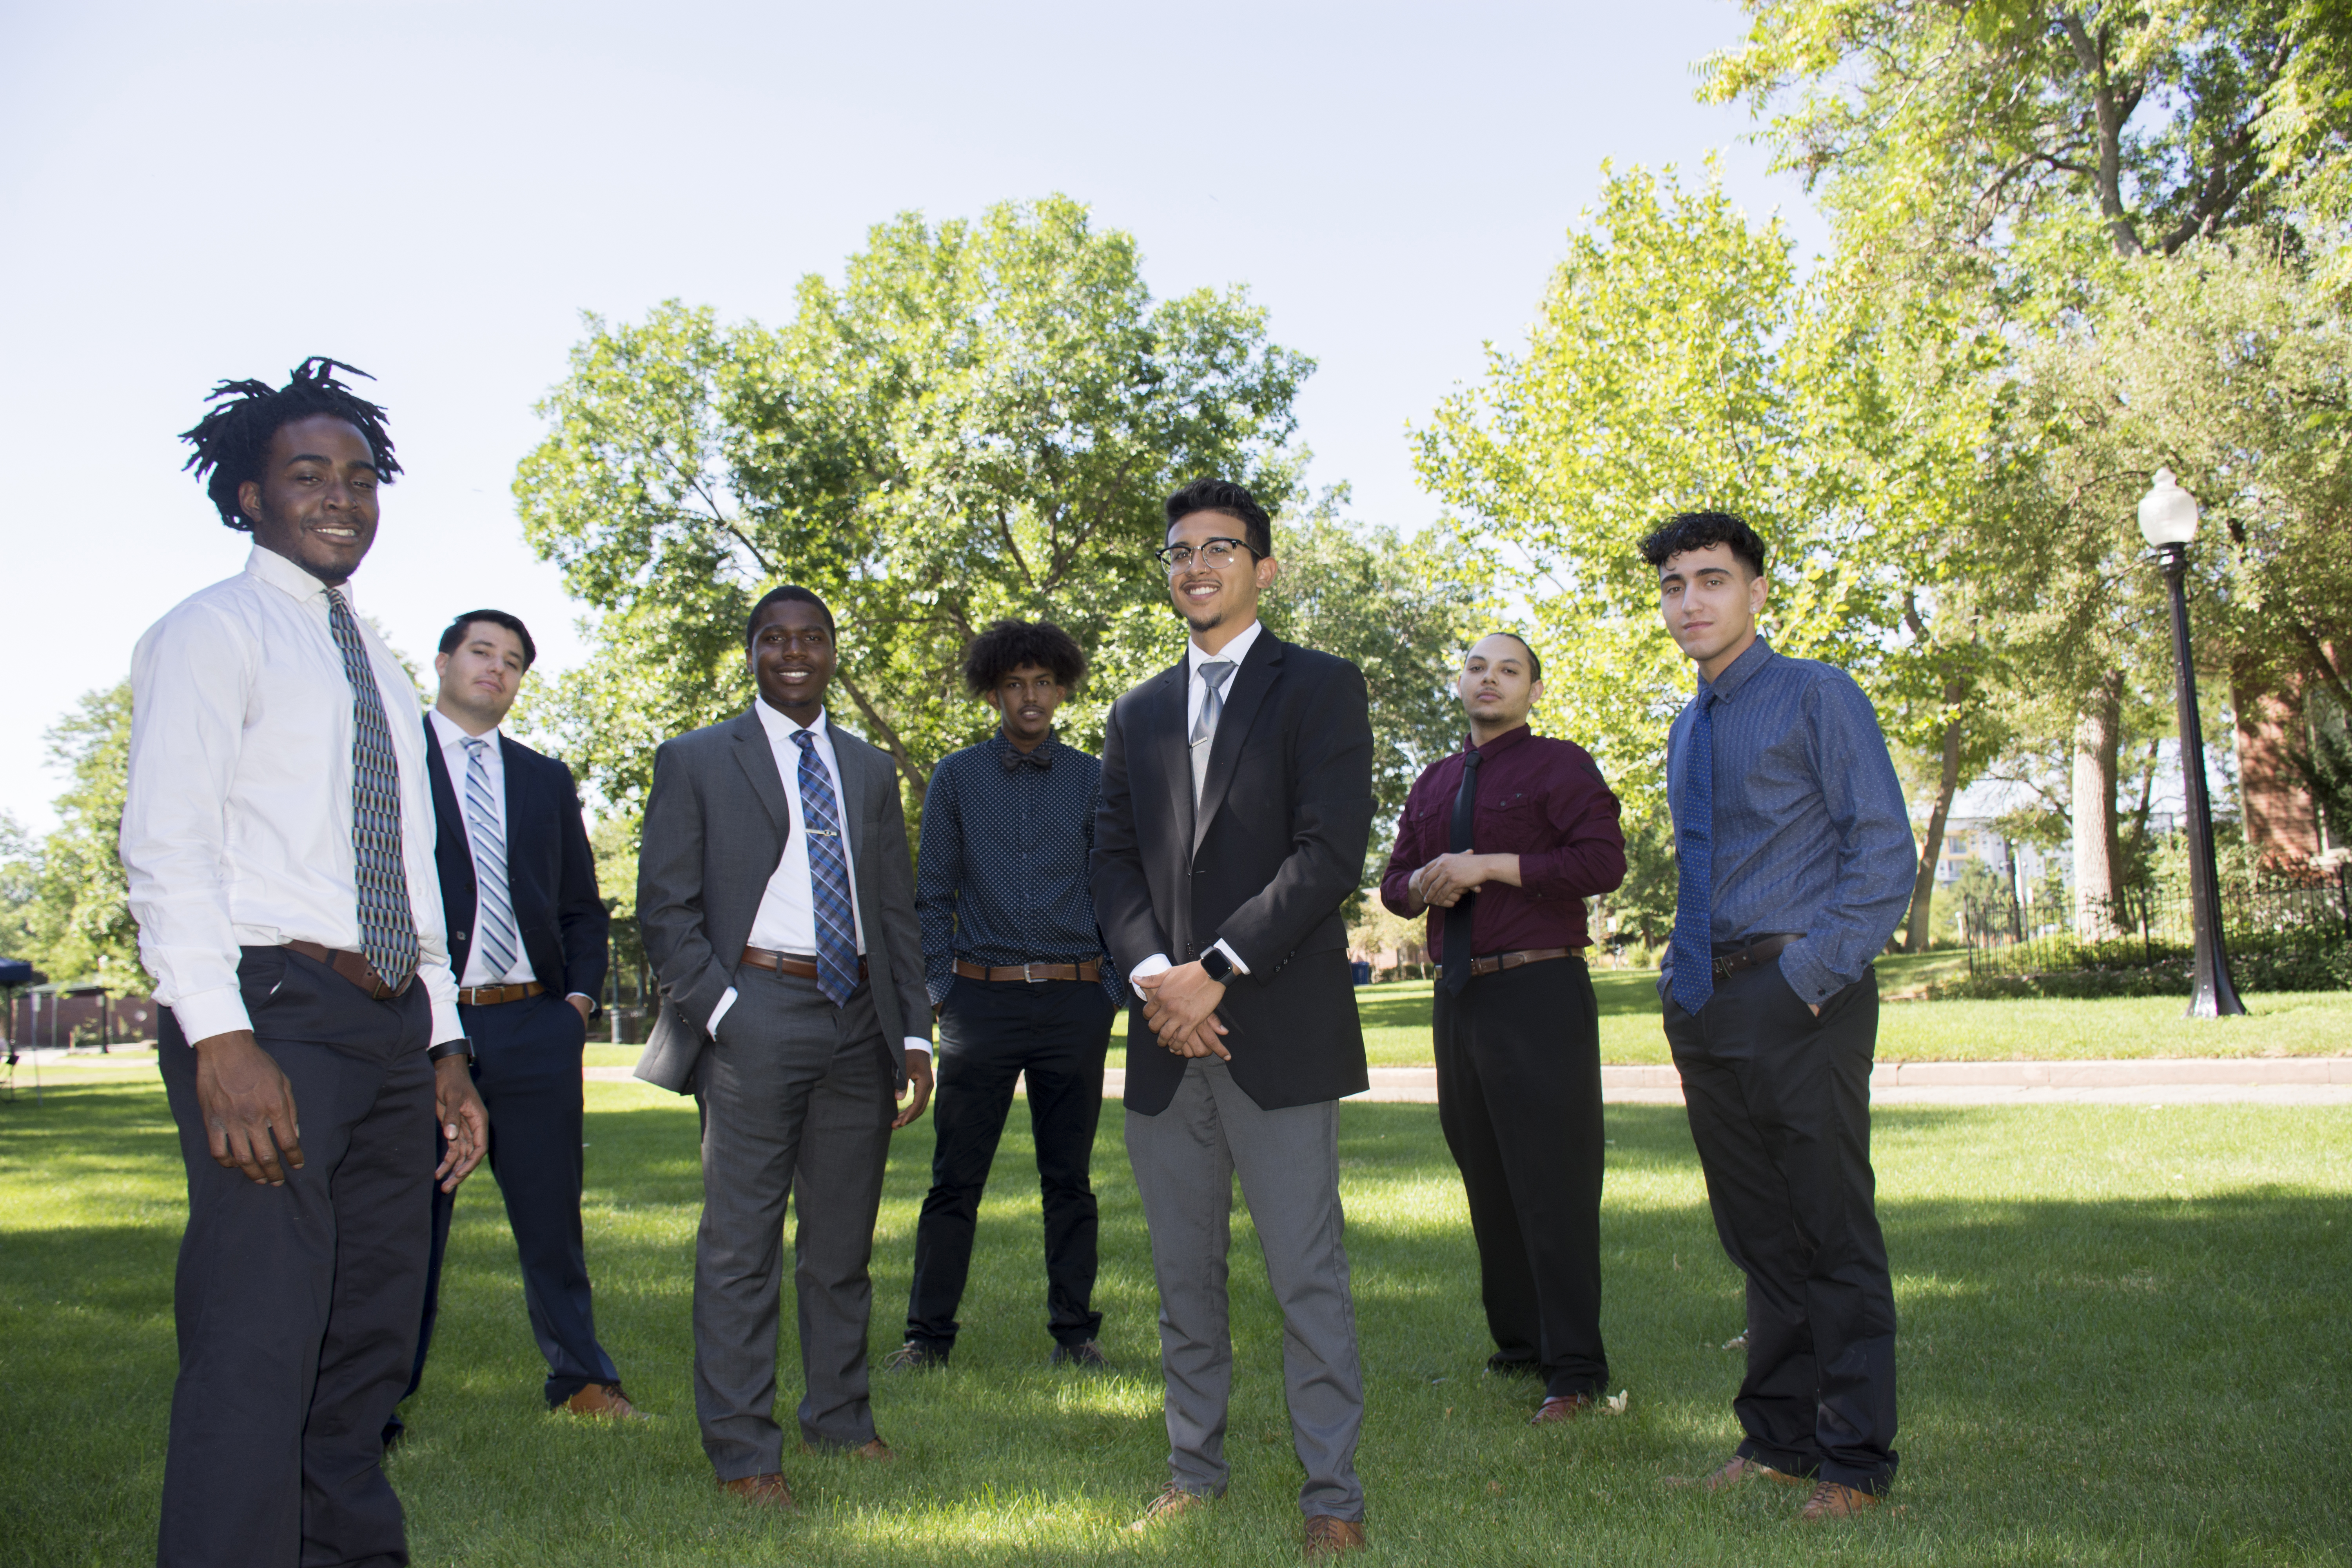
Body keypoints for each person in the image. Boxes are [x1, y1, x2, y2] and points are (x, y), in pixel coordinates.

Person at [123, 359, 489, 1568]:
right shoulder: (208, 634)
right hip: (272, 1013)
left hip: (388, 1032)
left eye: (360, 477)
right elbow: (167, 848)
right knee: (258, 1340)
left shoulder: (377, 665)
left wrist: (442, 1046)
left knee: (368, 1346)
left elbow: (414, 870)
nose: (341, 497)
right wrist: (220, 1040)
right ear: (247, 498)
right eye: (308, 475)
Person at [1092, 477, 1376, 1557]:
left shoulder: (1322, 689)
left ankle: (1332, 1497)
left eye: (1220, 548)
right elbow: (1109, 861)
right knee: (1182, 1279)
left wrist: (1217, 969)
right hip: (1169, 1038)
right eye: (1179, 552)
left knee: (1308, 1275)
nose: (1196, 567)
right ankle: (1192, 1472)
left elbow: (1328, 855)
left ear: (1265, 567)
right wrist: (1162, 978)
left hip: (1278, 1030)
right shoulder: (1137, 712)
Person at [633, 584, 935, 1510]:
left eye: (812, 637)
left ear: (834, 651)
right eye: (775, 638)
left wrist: (915, 1031)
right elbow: (666, 908)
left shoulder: (867, 767)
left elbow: (894, 906)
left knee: (840, 1246)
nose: (794, 651)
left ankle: (840, 1416)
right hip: (755, 1006)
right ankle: (743, 1452)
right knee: (741, 1247)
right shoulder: (694, 759)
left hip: (858, 1019)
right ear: (752, 651)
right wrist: (725, 1009)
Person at [1643, 510, 1915, 1522]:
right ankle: (1777, 1441)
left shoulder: (1818, 694)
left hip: (1803, 994)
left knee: (1831, 1231)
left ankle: (1854, 1464)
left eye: (1712, 580)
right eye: (1674, 586)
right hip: (1707, 1002)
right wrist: (1681, 983)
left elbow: (1882, 850)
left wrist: (1813, 974)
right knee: (1759, 1234)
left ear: (1757, 592)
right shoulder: (1688, 720)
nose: (1691, 602)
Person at [391, 608, 628, 1441]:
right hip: (421, 1024)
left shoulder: (542, 777)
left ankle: (581, 1376)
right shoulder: (389, 760)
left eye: (514, 661)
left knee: (551, 1215)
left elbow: (579, 907)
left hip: (533, 1024)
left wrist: (577, 1005)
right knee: (409, 1220)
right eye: (482, 652)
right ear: (445, 659)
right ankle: (380, 1400)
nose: (497, 669)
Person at [1377, 632, 1626, 1423]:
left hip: (1539, 989)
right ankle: (1519, 1346)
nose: (1490, 679)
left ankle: (1575, 1370)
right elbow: (1393, 885)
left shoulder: (1561, 765)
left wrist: (1489, 865)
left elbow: (1601, 863)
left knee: (1553, 1178)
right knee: (1485, 1171)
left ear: (1535, 690)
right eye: (1478, 667)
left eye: (1509, 670)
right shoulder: (1435, 779)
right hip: (1459, 997)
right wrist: (1424, 880)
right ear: (1461, 681)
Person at [887, 620, 1122, 1373]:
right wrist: (939, 990)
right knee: (955, 1178)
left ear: (1062, 689)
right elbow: (931, 896)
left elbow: (1118, 888)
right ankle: (927, 1338)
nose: (1031, 697)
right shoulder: (956, 777)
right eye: (1016, 684)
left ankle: (1075, 1335)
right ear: (994, 692)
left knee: (1070, 1180)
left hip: (1073, 1004)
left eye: (1044, 683)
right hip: (978, 1005)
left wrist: (1109, 992)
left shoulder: (1095, 778)